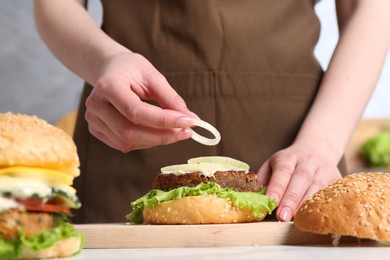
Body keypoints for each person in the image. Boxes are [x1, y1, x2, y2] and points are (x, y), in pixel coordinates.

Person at [34, 0, 390, 224]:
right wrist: (105, 61)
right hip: (129, 128)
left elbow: (370, 6)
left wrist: (322, 142)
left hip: (301, 143)